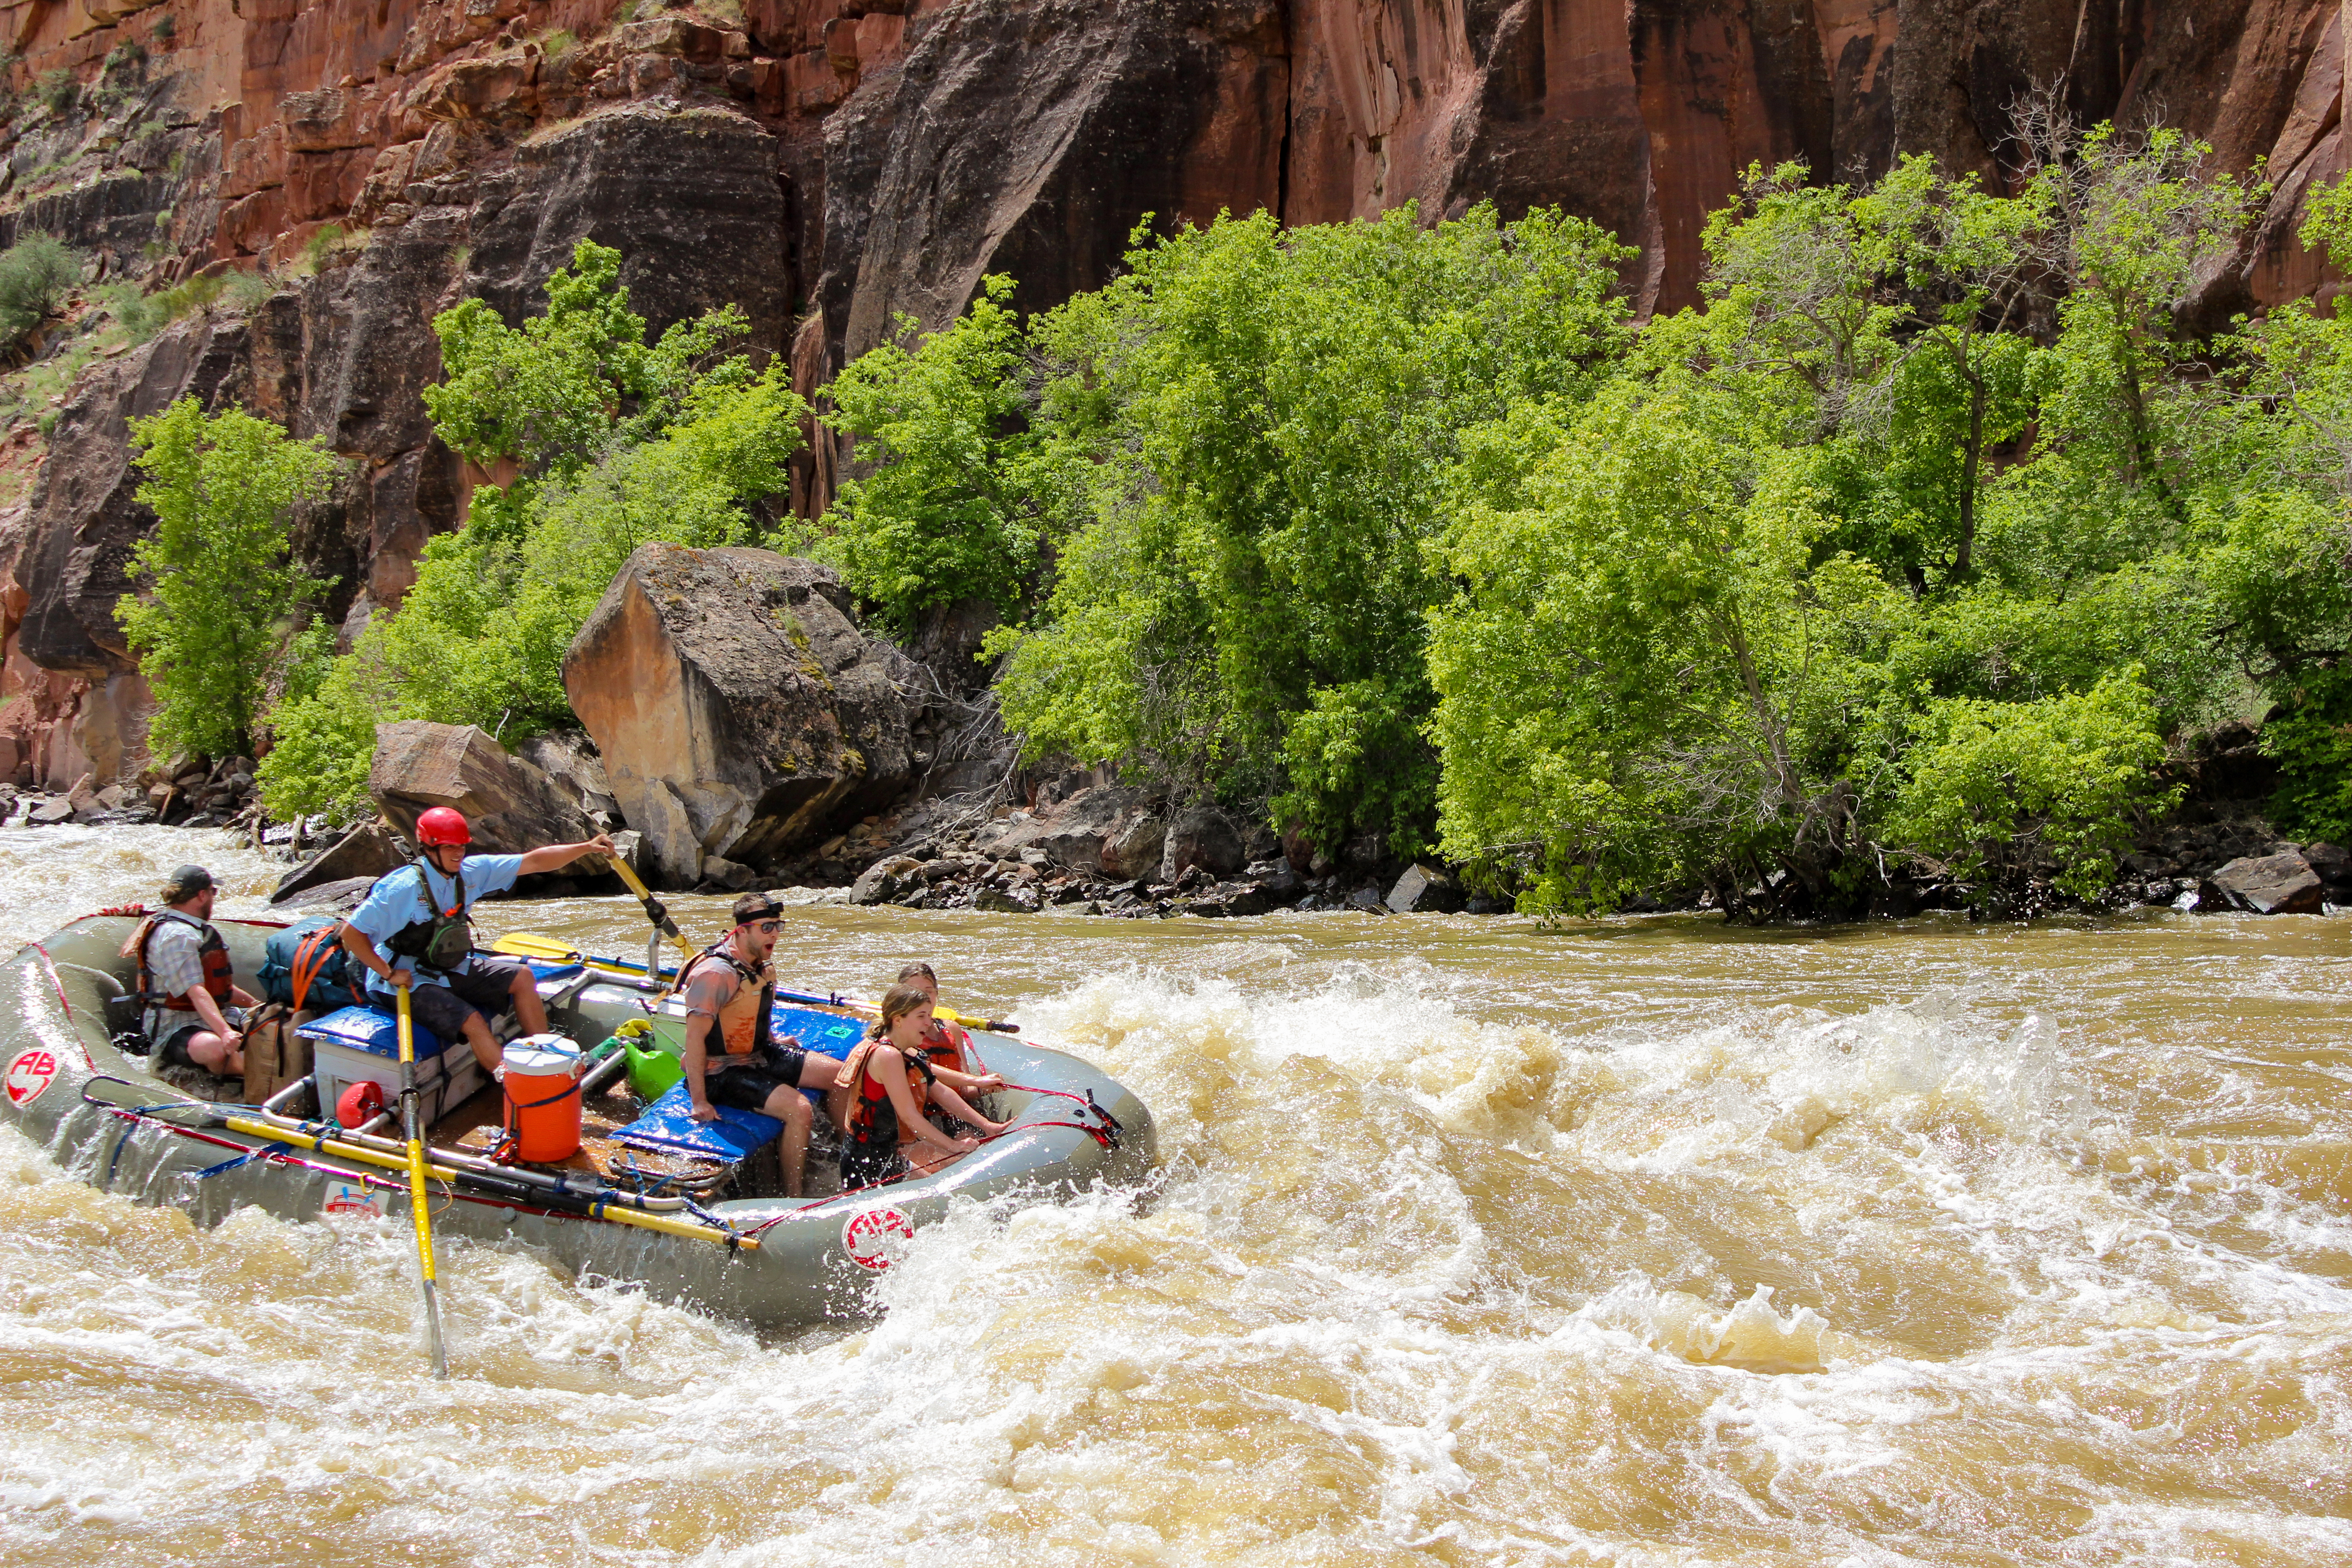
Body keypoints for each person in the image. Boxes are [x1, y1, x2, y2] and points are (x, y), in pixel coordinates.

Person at [341, 807, 616, 1074]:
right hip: (405, 978)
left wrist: (587, 847)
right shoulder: (402, 888)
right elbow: (352, 934)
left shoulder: (471, 872)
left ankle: (547, 1058)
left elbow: (534, 861)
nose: (458, 853)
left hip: (449, 966)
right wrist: (388, 973)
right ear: (429, 848)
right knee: (473, 1020)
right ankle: (514, 1088)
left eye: (461, 846)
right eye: (449, 847)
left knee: (522, 976)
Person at [679, 892, 843, 1198]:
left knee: (843, 1077)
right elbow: (694, 1039)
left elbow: (755, 1013)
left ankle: (846, 1162)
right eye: (767, 927)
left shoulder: (761, 966)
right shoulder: (715, 974)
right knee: (799, 1110)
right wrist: (699, 1101)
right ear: (742, 931)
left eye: (778, 926)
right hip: (720, 1072)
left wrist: (772, 1042)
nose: (775, 934)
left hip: (757, 1054)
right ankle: (793, 1196)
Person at [836, 984, 999, 1188]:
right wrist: (954, 1146)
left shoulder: (908, 1052)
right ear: (898, 1020)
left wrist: (989, 1126)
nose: (928, 1022)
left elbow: (941, 1091)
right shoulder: (888, 1056)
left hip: (889, 1154)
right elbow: (909, 1116)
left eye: (929, 1015)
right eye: (921, 1016)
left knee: (939, 1188)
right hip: (867, 1162)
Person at [124, 865, 261, 1078]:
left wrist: (257, 1007)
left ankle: (257, 1071)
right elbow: (196, 991)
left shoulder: (193, 931)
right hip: (175, 1025)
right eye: (213, 892)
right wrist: (225, 1032)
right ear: (201, 896)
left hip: (214, 1015)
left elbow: (220, 988)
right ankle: (246, 1078)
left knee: (272, 1024)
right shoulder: (178, 937)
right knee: (214, 1047)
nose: (214, 899)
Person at [894, 961, 1007, 1139]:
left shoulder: (951, 1029)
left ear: (937, 995)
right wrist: (976, 1081)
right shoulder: (900, 1034)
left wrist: (982, 1088)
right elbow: (924, 1070)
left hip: (955, 1114)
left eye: (928, 991)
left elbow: (965, 1090)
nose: (921, 997)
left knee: (970, 1139)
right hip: (919, 1116)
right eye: (913, 991)